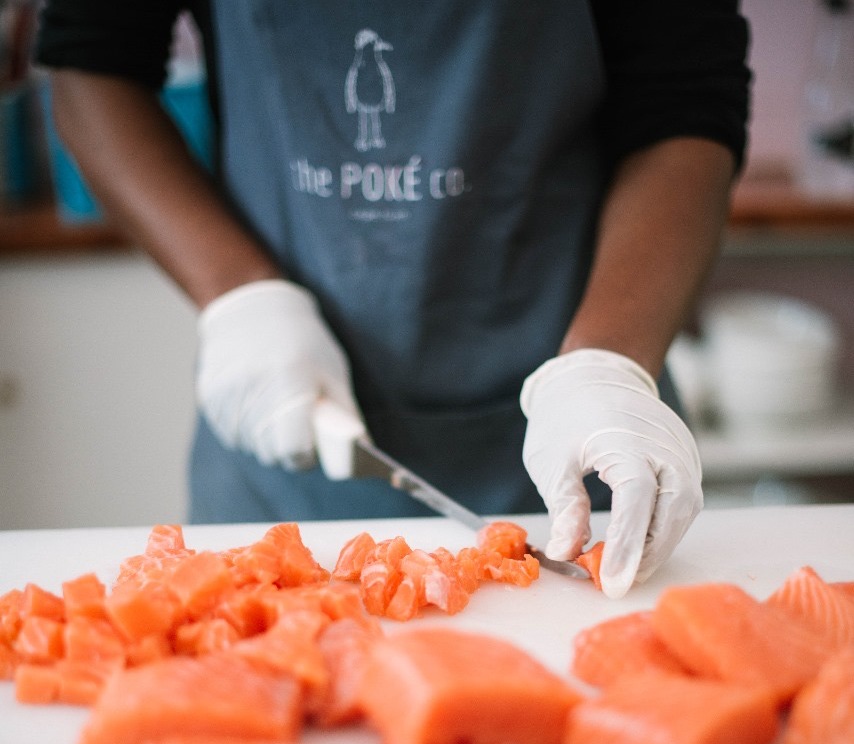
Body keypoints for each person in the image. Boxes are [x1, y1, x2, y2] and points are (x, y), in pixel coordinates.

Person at [35, 1, 751, 598]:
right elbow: (92, 64)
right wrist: (236, 295)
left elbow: (683, 101)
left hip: (584, 437)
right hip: (280, 448)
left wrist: (609, 362)